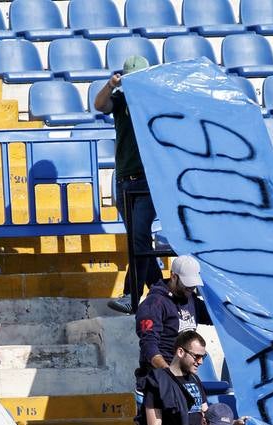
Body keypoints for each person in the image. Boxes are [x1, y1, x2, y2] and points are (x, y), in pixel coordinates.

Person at [94, 55, 162, 314]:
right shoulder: (121, 99)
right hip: (124, 180)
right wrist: (110, 85)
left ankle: (132, 294)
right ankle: (162, 291)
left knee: (139, 238)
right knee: (139, 241)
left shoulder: (154, 101)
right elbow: (99, 104)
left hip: (147, 181)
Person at [135, 255, 211, 394]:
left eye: (193, 285)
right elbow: (149, 345)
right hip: (158, 379)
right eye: (187, 284)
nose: (191, 288)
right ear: (173, 276)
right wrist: (169, 374)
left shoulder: (191, 300)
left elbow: (217, 317)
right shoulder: (154, 304)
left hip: (184, 378)